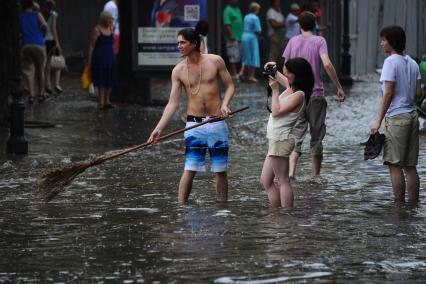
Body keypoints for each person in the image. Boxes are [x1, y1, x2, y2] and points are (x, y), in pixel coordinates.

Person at [147, 28, 235, 205]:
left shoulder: (215, 61)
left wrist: (225, 104)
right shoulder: (178, 71)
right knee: (190, 168)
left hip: (217, 122)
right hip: (194, 125)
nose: (178, 46)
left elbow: (230, 86)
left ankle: (223, 208)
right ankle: (181, 207)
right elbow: (173, 103)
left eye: (182, 42)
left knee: (220, 170)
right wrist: (158, 128)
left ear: (193, 43)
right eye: (178, 42)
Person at [282, 11, 345, 178]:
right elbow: (327, 64)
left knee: (296, 133)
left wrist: (290, 87)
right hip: (316, 94)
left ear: (299, 25)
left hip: (296, 96)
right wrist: (338, 86)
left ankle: (291, 173)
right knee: (316, 136)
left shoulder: (293, 41)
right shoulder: (320, 41)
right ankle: (315, 176)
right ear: (315, 24)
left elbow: (284, 68)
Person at [371, 26, 421, 203]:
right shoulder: (413, 63)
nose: (381, 43)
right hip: (412, 116)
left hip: (397, 118)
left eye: (383, 40)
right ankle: (413, 205)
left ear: (391, 42)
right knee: (410, 166)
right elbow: (417, 92)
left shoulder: (390, 62)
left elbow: (388, 93)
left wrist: (377, 121)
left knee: (394, 165)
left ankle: (399, 207)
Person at [261, 58, 313, 207]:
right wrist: (271, 68)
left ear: (297, 75)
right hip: (275, 140)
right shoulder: (292, 88)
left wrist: (276, 90)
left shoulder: (299, 95)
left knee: (283, 180)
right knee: (265, 181)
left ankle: (286, 214)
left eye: (288, 72)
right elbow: (279, 76)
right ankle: (276, 212)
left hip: (281, 140)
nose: (285, 73)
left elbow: (276, 112)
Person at [87, 11, 118, 110]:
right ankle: (101, 101)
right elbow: (91, 46)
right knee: (101, 79)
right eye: (110, 18)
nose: (111, 20)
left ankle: (107, 100)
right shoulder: (97, 30)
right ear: (104, 19)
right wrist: (89, 60)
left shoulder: (111, 28)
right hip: (100, 57)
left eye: (112, 19)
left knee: (110, 78)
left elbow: (113, 43)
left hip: (110, 56)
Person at [19, 0, 48, 104]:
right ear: (32, 5)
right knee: (41, 68)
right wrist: (43, 34)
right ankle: (41, 94)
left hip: (26, 44)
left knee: (28, 70)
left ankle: (31, 95)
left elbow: (19, 32)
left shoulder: (20, 16)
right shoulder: (37, 14)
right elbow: (44, 25)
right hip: (39, 44)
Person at [43, 0, 63, 95]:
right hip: (51, 40)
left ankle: (47, 84)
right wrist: (57, 43)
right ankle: (57, 84)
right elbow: (54, 29)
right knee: (58, 61)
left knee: (46, 63)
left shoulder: (40, 14)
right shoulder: (54, 14)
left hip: (43, 40)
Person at [239, 2, 262, 83]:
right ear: (256, 9)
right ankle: (251, 76)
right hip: (252, 37)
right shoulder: (255, 18)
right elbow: (258, 30)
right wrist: (260, 36)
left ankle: (241, 72)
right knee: (253, 55)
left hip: (244, 35)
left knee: (246, 56)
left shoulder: (246, 16)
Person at [223, 0, 243, 80]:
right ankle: (233, 74)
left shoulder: (238, 9)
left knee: (238, 56)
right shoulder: (227, 10)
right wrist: (231, 35)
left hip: (240, 37)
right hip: (232, 38)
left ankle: (238, 73)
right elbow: (227, 24)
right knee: (232, 56)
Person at [266, 0, 285, 67]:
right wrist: (284, 24)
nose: (279, 2)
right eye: (277, 1)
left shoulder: (279, 11)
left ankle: (278, 74)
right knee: (273, 56)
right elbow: (273, 24)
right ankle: (270, 74)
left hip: (281, 36)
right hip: (274, 36)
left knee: (280, 56)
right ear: (273, 2)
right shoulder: (271, 12)